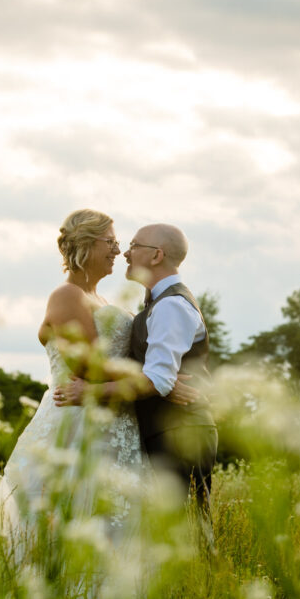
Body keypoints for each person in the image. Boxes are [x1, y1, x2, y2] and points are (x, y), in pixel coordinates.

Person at [0, 209, 150, 561]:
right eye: (110, 242)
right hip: (76, 424)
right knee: (71, 523)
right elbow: (90, 367)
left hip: (114, 423)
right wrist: (151, 379)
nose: (117, 250)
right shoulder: (66, 296)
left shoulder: (101, 300)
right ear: (85, 244)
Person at [53, 223, 218, 542]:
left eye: (133, 245)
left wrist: (89, 391)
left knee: (190, 532)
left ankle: (208, 591)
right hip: (168, 429)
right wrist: (163, 383)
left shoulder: (171, 305)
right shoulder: (159, 303)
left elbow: (157, 378)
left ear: (156, 256)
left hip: (181, 432)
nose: (125, 252)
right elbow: (159, 376)